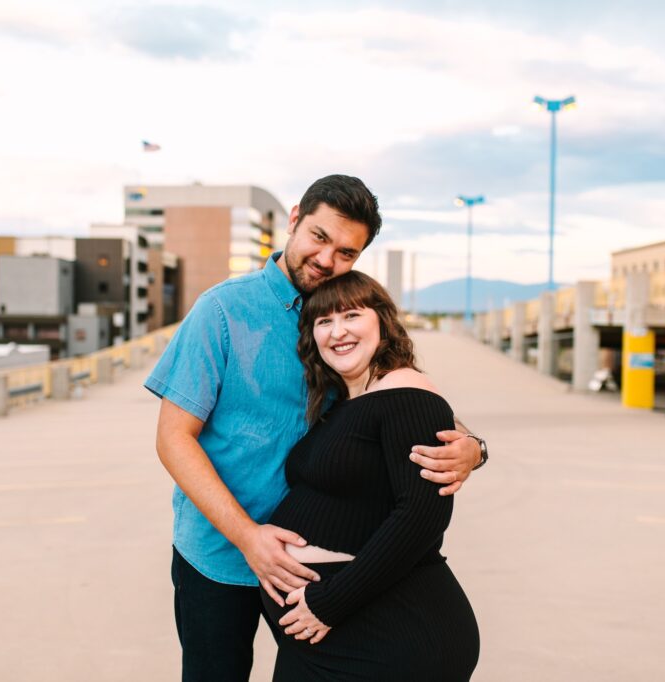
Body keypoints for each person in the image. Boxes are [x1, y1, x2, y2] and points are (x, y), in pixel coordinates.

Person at [146, 175, 487, 682]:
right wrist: (248, 538)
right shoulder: (222, 310)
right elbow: (174, 439)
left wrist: (474, 448)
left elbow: (403, 396)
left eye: (346, 252)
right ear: (294, 219)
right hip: (219, 555)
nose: (327, 260)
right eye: (319, 238)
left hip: (319, 575)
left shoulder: (340, 318)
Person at [261, 270, 479, 680]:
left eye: (351, 316)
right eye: (324, 321)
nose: (337, 331)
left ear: (382, 321)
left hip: (386, 633)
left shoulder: (406, 391)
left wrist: (331, 602)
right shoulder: (345, 402)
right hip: (328, 635)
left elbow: (422, 517)